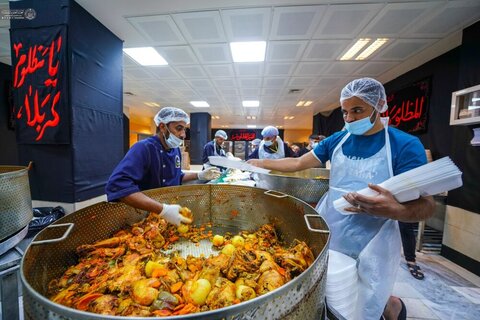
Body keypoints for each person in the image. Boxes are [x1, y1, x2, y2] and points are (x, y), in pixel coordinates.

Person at [247, 78, 435, 320]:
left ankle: (393, 308)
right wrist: (260, 162)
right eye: (345, 112)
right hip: (332, 227)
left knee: (369, 297)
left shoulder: (404, 145)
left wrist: (395, 210)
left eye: (357, 111)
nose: (349, 119)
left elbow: (427, 206)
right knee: (334, 291)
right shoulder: (338, 139)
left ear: (379, 106)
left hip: (374, 237)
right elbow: (297, 163)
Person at [106, 107, 221, 226]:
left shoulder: (175, 150)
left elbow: (176, 176)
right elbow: (118, 185)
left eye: (184, 129)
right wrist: (163, 210)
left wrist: (199, 175)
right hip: (143, 215)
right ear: (162, 127)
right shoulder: (144, 148)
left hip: (168, 213)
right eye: (178, 128)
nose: (183, 134)